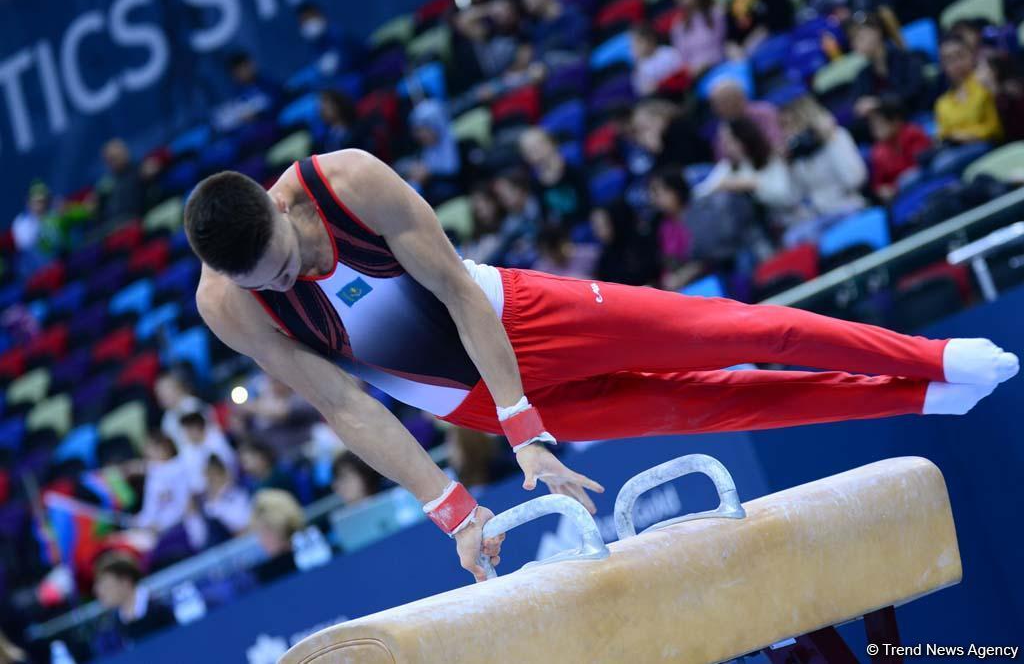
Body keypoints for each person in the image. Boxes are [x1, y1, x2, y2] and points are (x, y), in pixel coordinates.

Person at [185, 148, 1018, 582]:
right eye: (265, 283)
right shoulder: (230, 306)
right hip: (464, 397)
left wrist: (526, 429)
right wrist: (457, 511)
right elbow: (348, 405)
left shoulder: (350, 184)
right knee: (715, 408)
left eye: (285, 262)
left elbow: (462, 299)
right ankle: (926, 395)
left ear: (276, 205)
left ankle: (931, 355)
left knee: (734, 331)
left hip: (518, 319)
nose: (284, 282)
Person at [778, 95, 868, 243]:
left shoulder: (836, 137)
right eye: (783, 127)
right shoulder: (798, 156)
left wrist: (829, 141)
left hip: (849, 209)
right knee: (791, 239)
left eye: (790, 125)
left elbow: (855, 180)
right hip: (819, 219)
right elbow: (794, 198)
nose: (787, 133)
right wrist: (788, 167)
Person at [931, 36, 1002, 175]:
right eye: (949, 59)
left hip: (987, 144)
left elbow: (996, 128)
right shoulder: (942, 103)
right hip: (956, 150)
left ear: (972, 55)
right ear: (943, 66)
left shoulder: (985, 82)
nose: (956, 63)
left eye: (960, 55)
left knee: (941, 166)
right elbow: (943, 135)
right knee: (908, 178)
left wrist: (965, 135)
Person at [848, 11, 927, 121]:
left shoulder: (907, 58)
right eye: (852, 39)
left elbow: (914, 91)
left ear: (876, 31)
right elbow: (857, 105)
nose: (855, 44)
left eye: (859, 37)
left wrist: (879, 103)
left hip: (915, 117)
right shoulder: (863, 75)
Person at [93, 552, 176, 643]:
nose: (98, 592)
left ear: (125, 582)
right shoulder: (113, 627)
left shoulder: (162, 608)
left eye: (105, 585)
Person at [517, 128, 590, 230]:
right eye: (529, 151)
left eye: (538, 146)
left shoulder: (573, 170)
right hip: (562, 234)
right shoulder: (536, 185)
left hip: (584, 224)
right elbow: (545, 216)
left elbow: (588, 203)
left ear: (551, 143)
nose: (535, 152)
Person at [867, 98, 932, 201]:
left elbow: (921, 165)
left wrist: (895, 187)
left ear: (895, 121)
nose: (876, 130)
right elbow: (879, 183)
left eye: (880, 124)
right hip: (899, 193)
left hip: (923, 181)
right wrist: (882, 190)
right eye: (873, 127)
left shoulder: (913, 133)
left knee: (910, 178)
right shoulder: (877, 151)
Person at [709, 79, 785, 159]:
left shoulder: (765, 113)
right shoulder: (723, 131)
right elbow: (725, 163)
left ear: (741, 97)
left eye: (727, 101)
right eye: (717, 105)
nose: (720, 108)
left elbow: (779, 147)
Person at [405, 100, 462, 205]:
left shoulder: (461, 146)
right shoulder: (421, 155)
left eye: (423, 130)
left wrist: (432, 175)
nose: (420, 136)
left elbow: (461, 178)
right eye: (417, 131)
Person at [134, 433, 190, 535]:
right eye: (149, 448)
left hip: (174, 526)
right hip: (153, 527)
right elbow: (150, 506)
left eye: (158, 447)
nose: (149, 451)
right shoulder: (154, 470)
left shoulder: (179, 467)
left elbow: (183, 505)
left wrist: (160, 524)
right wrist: (142, 521)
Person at [670, 0, 727, 76]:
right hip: (697, 76)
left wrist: (707, 64)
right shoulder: (678, 26)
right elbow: (682, 60)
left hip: (722, 66)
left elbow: (722, 46)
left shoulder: (716, 13)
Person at [725, 0, 793, 57]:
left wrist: (760, 29)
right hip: (749, 45)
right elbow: (733, 33)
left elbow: (783, 15)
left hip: (777, 35)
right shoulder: (737, 2)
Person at [250, 488, 304, 583]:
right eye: (259, 533)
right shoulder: (266, 573)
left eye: (265, 532)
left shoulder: (313, 551)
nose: (262, 541)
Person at [178, 412, 237, 494]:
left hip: (225, 489)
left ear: (196, 428)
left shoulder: (217, 441)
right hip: (200, 495)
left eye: (188, 430)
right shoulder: (186, 450)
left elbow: (230, 467)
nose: (186, 434)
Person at [629, 24, 686, 97]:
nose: (634, 47)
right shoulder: (638, 67)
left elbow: (682, 75)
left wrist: (661, 85)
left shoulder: (668, 53)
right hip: (656, 99)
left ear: (650, 40)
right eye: (632, 44)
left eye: (638, 42)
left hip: (677, 94)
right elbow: (642, 91)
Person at [98, 139, 145, 219]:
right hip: (112, 222)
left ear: (125, 152)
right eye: (109, 160)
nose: (112, 162)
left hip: (130, 218)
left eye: (114, 158)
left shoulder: (140, 170)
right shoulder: (108, 183)